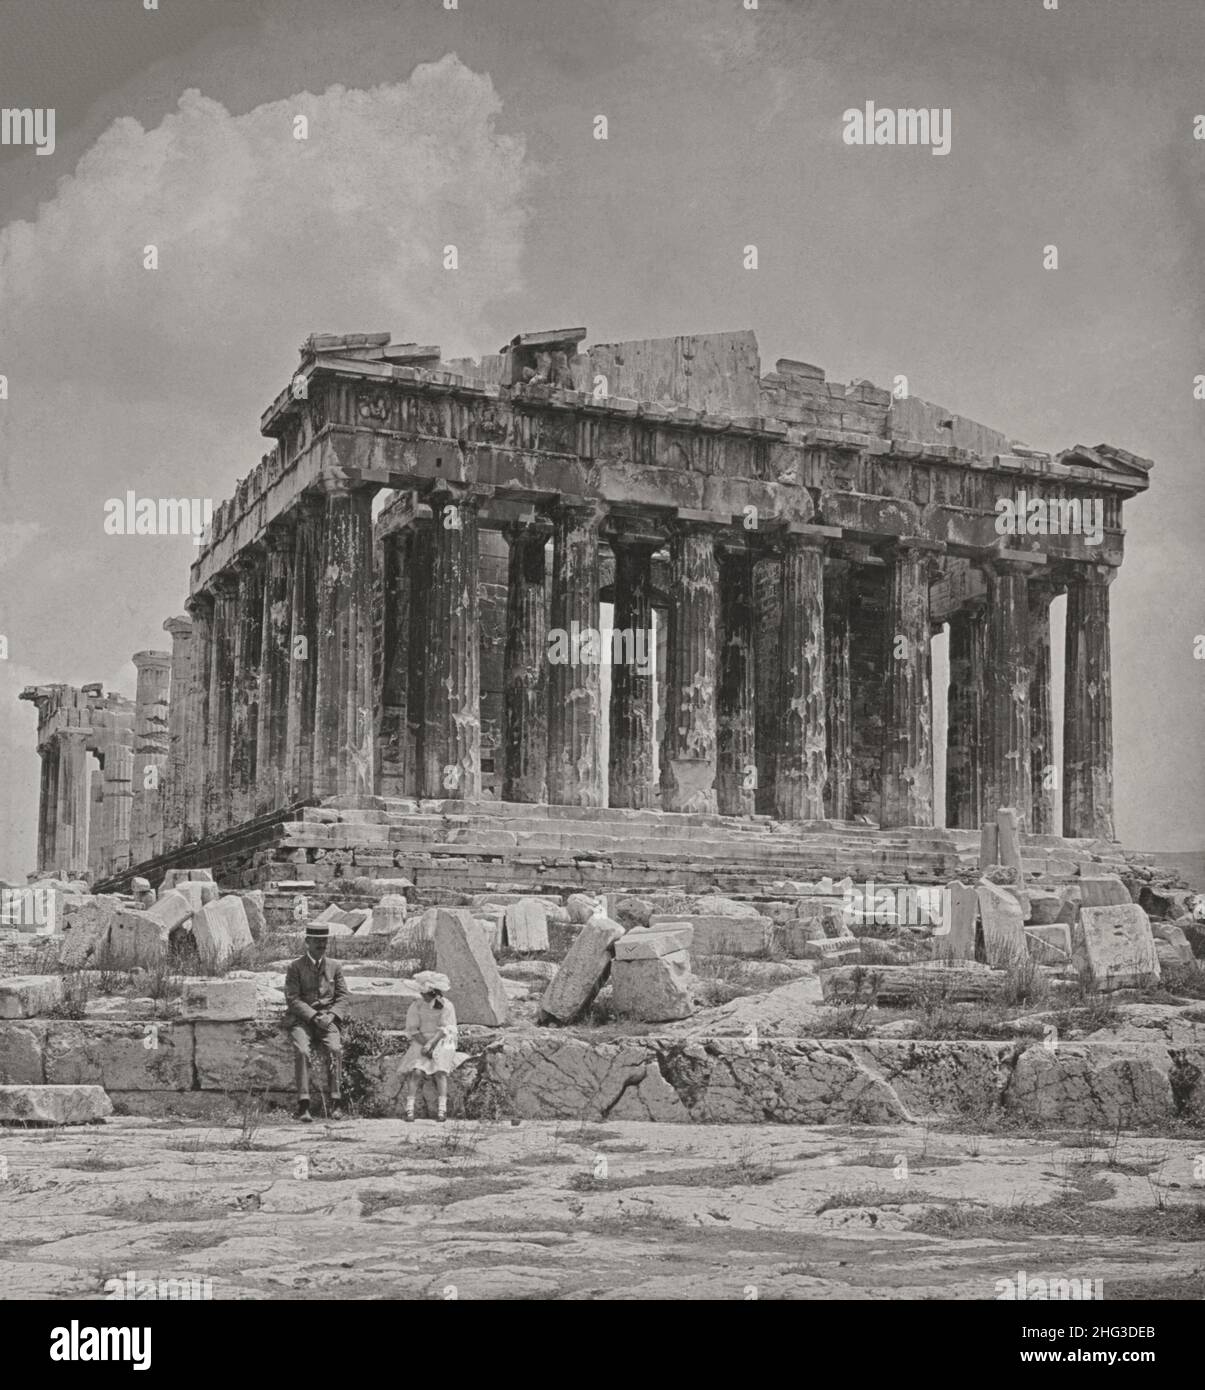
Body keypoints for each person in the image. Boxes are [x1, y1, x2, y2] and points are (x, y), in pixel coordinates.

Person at [284, 923, 349, 1121]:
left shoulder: (335, 966)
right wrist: (313, 1016)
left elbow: (343, 996)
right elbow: (292, 999)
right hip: (303, 1020)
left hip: (328, 1019)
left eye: (324, 941)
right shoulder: (295, 967)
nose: (322, 945)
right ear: (307, 942)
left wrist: (331, 1016)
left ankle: (336, 1102)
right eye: (317, 941)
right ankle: (304, 1105)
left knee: (335, 1049)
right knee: (302, 1050)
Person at [399, 971, 458, 1123]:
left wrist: (432, 1044)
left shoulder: (447, 1006)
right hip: (421, 1039)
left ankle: (442, 1109)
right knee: (417, 1071)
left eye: (425, 993)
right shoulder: (417, 1005)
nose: (422, 995)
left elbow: (446, 1029)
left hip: (442, 1040)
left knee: (440, 1071)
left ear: (433, 993)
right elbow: (413, 1029)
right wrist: (425, 1044)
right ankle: (409, 1109)